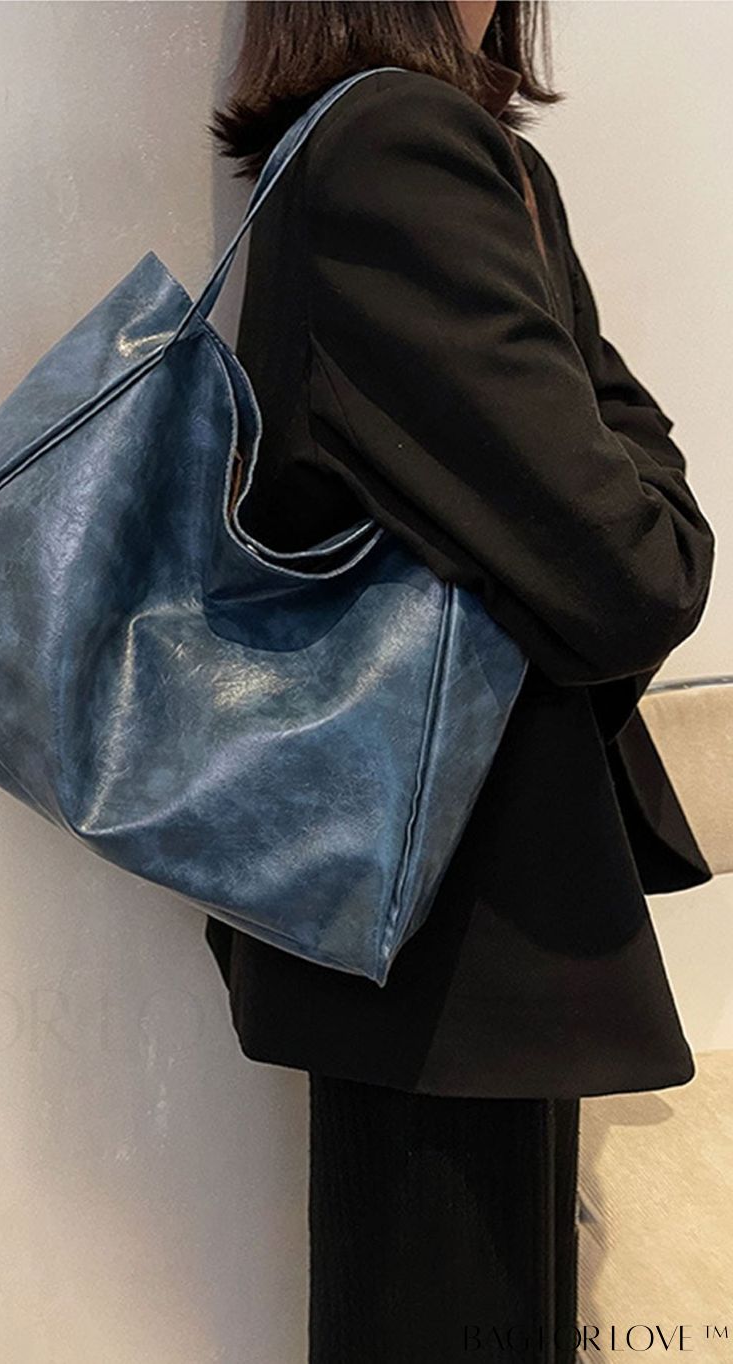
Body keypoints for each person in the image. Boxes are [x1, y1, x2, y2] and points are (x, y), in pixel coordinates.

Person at [205, 3, 716, 1361]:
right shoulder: (398, 147)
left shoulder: (376, 146)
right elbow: (633, 572)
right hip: (456, 941)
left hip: (425, 924)